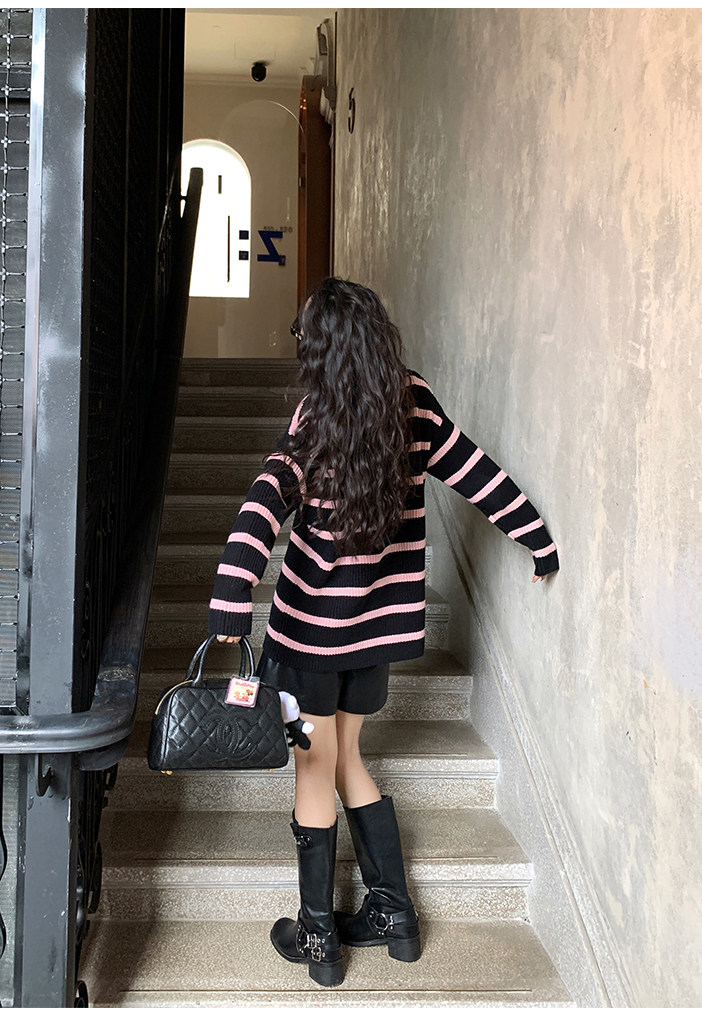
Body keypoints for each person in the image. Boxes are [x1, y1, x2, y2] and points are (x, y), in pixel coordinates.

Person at [207, 277, 559, 987]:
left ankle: (319, 939)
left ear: (322, 349)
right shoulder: (415, 403)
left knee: (314, 766)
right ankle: (394, 915)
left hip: (310, 636)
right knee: (347, 757)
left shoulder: (315, 417)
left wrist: (231, 594)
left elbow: (264, 501)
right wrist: (538, 539)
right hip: (374, 636)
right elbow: (477, 474)